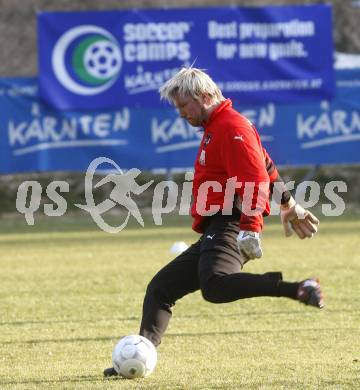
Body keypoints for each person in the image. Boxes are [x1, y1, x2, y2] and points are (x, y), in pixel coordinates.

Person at [104, 67, 323, 377]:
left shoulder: (231, 127)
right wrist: (289, 204)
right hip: (220, 224)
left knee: (215, 286)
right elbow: (267, 163)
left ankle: (300, 289)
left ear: (204, 97)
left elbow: (253, 177)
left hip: (232, 222)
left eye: (183, 106)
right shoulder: (219, 125)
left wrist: (251, 227)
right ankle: (140, 355)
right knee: (161, 288)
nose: (181, 114)